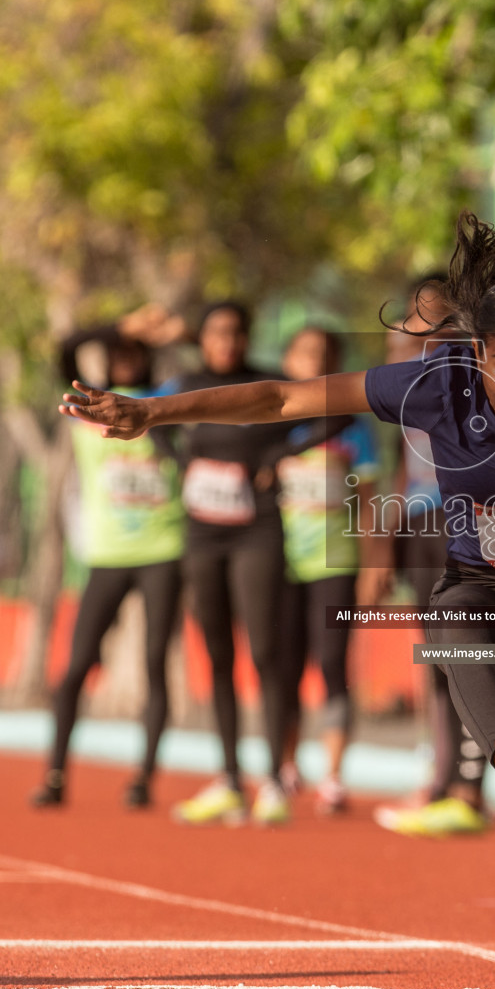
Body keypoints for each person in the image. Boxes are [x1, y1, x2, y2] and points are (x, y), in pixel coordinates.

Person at [60, 212, 495, 909]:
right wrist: (155, 412)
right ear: (478, 354)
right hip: (489, 600)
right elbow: (283, 397)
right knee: (448, 610)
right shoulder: (439, 386)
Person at [167, 302, 347, 828]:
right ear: (202, 339)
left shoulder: (268, 381)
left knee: (265, 650)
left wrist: (277, 457)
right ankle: (228, 778)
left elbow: (335, 411)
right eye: (216, 332)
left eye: (236, 332)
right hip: (203, 532)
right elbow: (149, 419)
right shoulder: (186, 384)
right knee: (218, 654)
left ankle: (273, 779)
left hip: (258, 531)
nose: (226, 341)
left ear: (246, 338)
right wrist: (180, 462)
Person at [33, 305, 186, 811]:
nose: (124, 359)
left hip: (164, 550)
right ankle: (55, 775)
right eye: (117, 351)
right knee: (77, 665)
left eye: (134, 352)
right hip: (106, 554)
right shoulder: (90, 404)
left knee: (154, 663)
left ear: (147, 359)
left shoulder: (167, 403)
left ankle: (143, 777)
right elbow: (65, 347)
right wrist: (123, 326)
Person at [373, 277, 491, 838]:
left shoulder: (479, 369)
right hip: (419, 525)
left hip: (467, 521)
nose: (426, 334)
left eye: (438, 322)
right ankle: (442, 776)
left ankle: (472, 785)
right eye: (415, 323)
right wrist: (385, 542)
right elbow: (400, 461)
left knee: (471, 651)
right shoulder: (401, 378)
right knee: (436, 656)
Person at [275, 326, 383, 815]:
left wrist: (373, 565)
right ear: (286, 361)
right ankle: (285, 766)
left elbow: (369, 504)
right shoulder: (271, 422)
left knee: (332, 664)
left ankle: (333, 777)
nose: (313, 364)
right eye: (304, 354)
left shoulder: (354, 429)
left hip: (334, 563)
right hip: (277, 564)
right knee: (283, 666)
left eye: (324, 356)